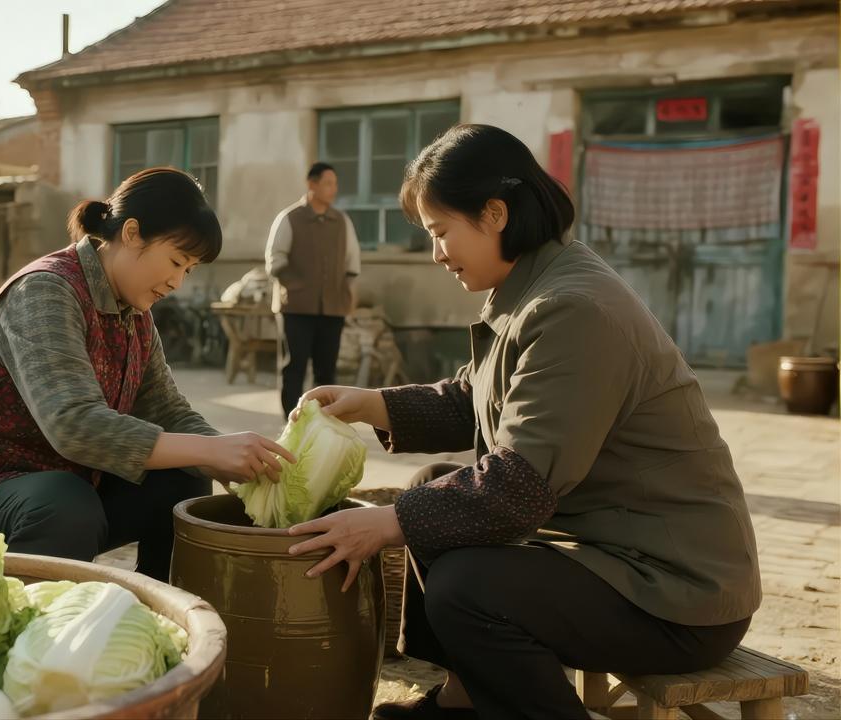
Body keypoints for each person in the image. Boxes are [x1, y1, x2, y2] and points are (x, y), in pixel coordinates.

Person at [282, 125, 760, 719]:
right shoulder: (537, 285)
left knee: (466, 589)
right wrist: (368, 403)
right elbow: (477, 399)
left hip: (677, 591)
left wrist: (384, 525)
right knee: (432, 486)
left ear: (494, 213)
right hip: (615, 550)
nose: (436, 253)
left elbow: (518, 486)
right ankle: (463, 700)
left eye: (440, 232)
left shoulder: (572, 309)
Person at [0, 167, 295, 581]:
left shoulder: (134, 313)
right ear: (131, 233)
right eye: (176, 261)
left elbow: (167, 410)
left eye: (189, 270)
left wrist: (228, 458)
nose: (177, 281)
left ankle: (158, 612)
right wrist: (209, 451)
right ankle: (28, 627)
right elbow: (73, 425)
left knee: (185, 480)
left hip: (58, 487)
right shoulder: (45, 291)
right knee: (67, 504)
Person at [265, 161, 361, 418]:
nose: (333, 189)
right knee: (293, 366)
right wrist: (298, 287)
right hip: (296, 308)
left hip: (333, 309)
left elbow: (353, 264)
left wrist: (347, 297)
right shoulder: (289, 219)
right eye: (328, 183)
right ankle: (291, 421)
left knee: (327, 371)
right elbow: (275, 261)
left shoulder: (341, 222)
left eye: (335, 184)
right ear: (312, 184)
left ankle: (323, 421)